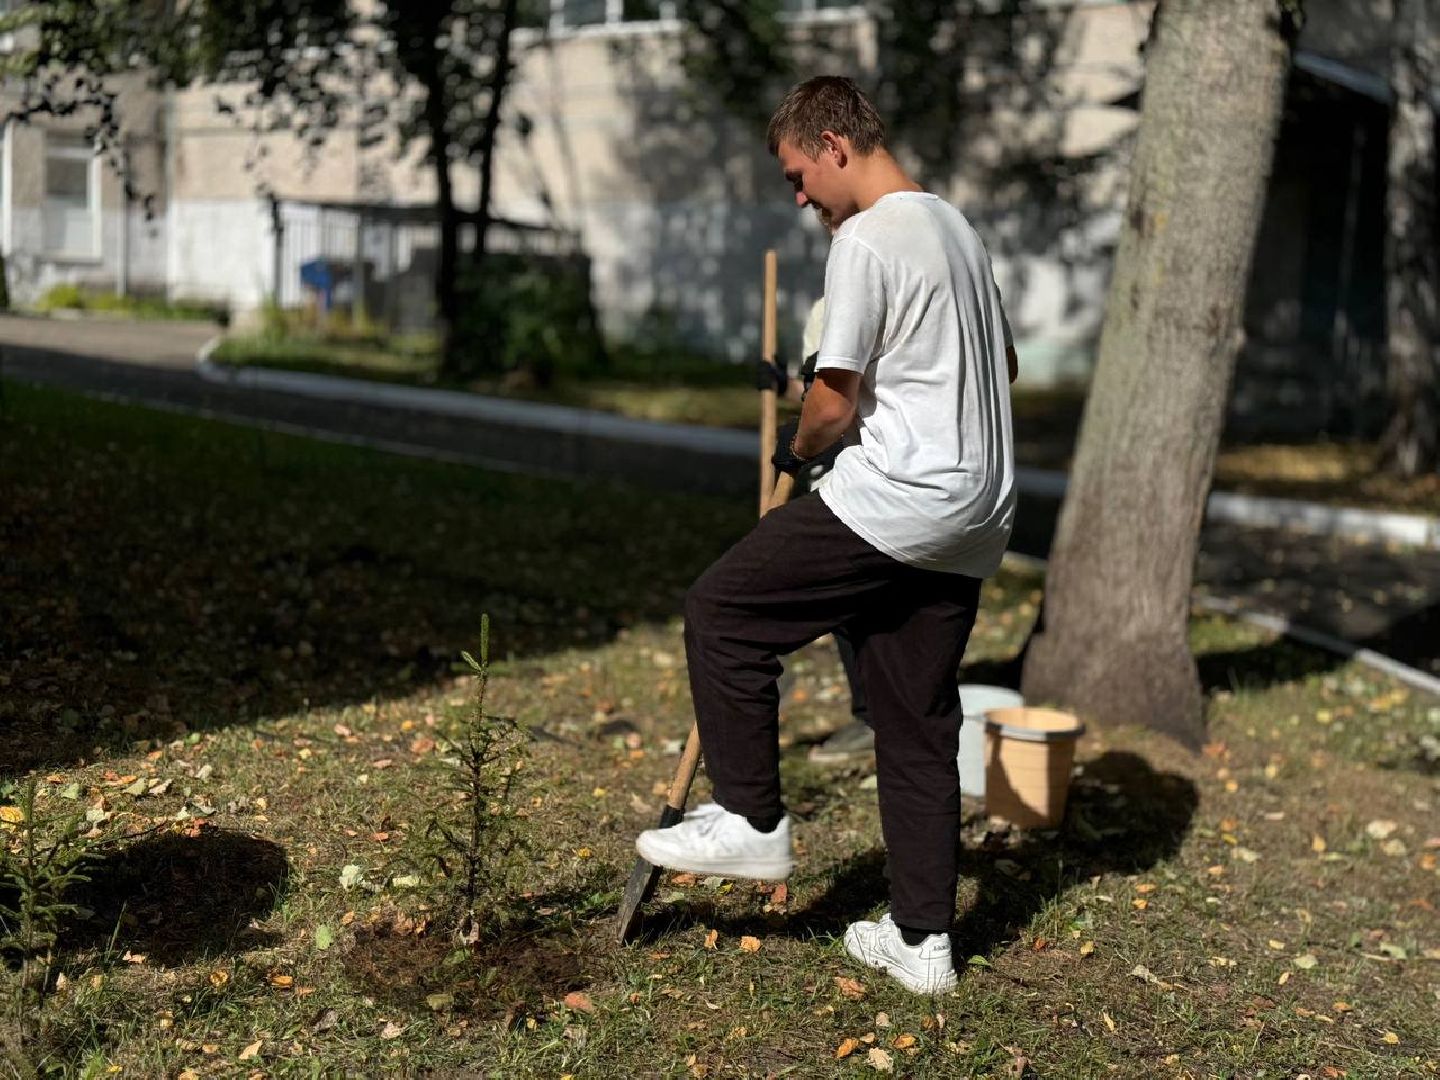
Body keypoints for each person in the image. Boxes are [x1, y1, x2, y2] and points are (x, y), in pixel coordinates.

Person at [636, 75, 1017, 995]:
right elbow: (997, 362)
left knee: (722, 611)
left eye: (800, 175)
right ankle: (923, 943)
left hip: (904, 495)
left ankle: (752, 821)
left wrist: (797, 449)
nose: (802, 196)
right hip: (978, 513)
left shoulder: (867, 237)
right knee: (916, 721)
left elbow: (834, 400)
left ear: (835, 143)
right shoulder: (955, 228)